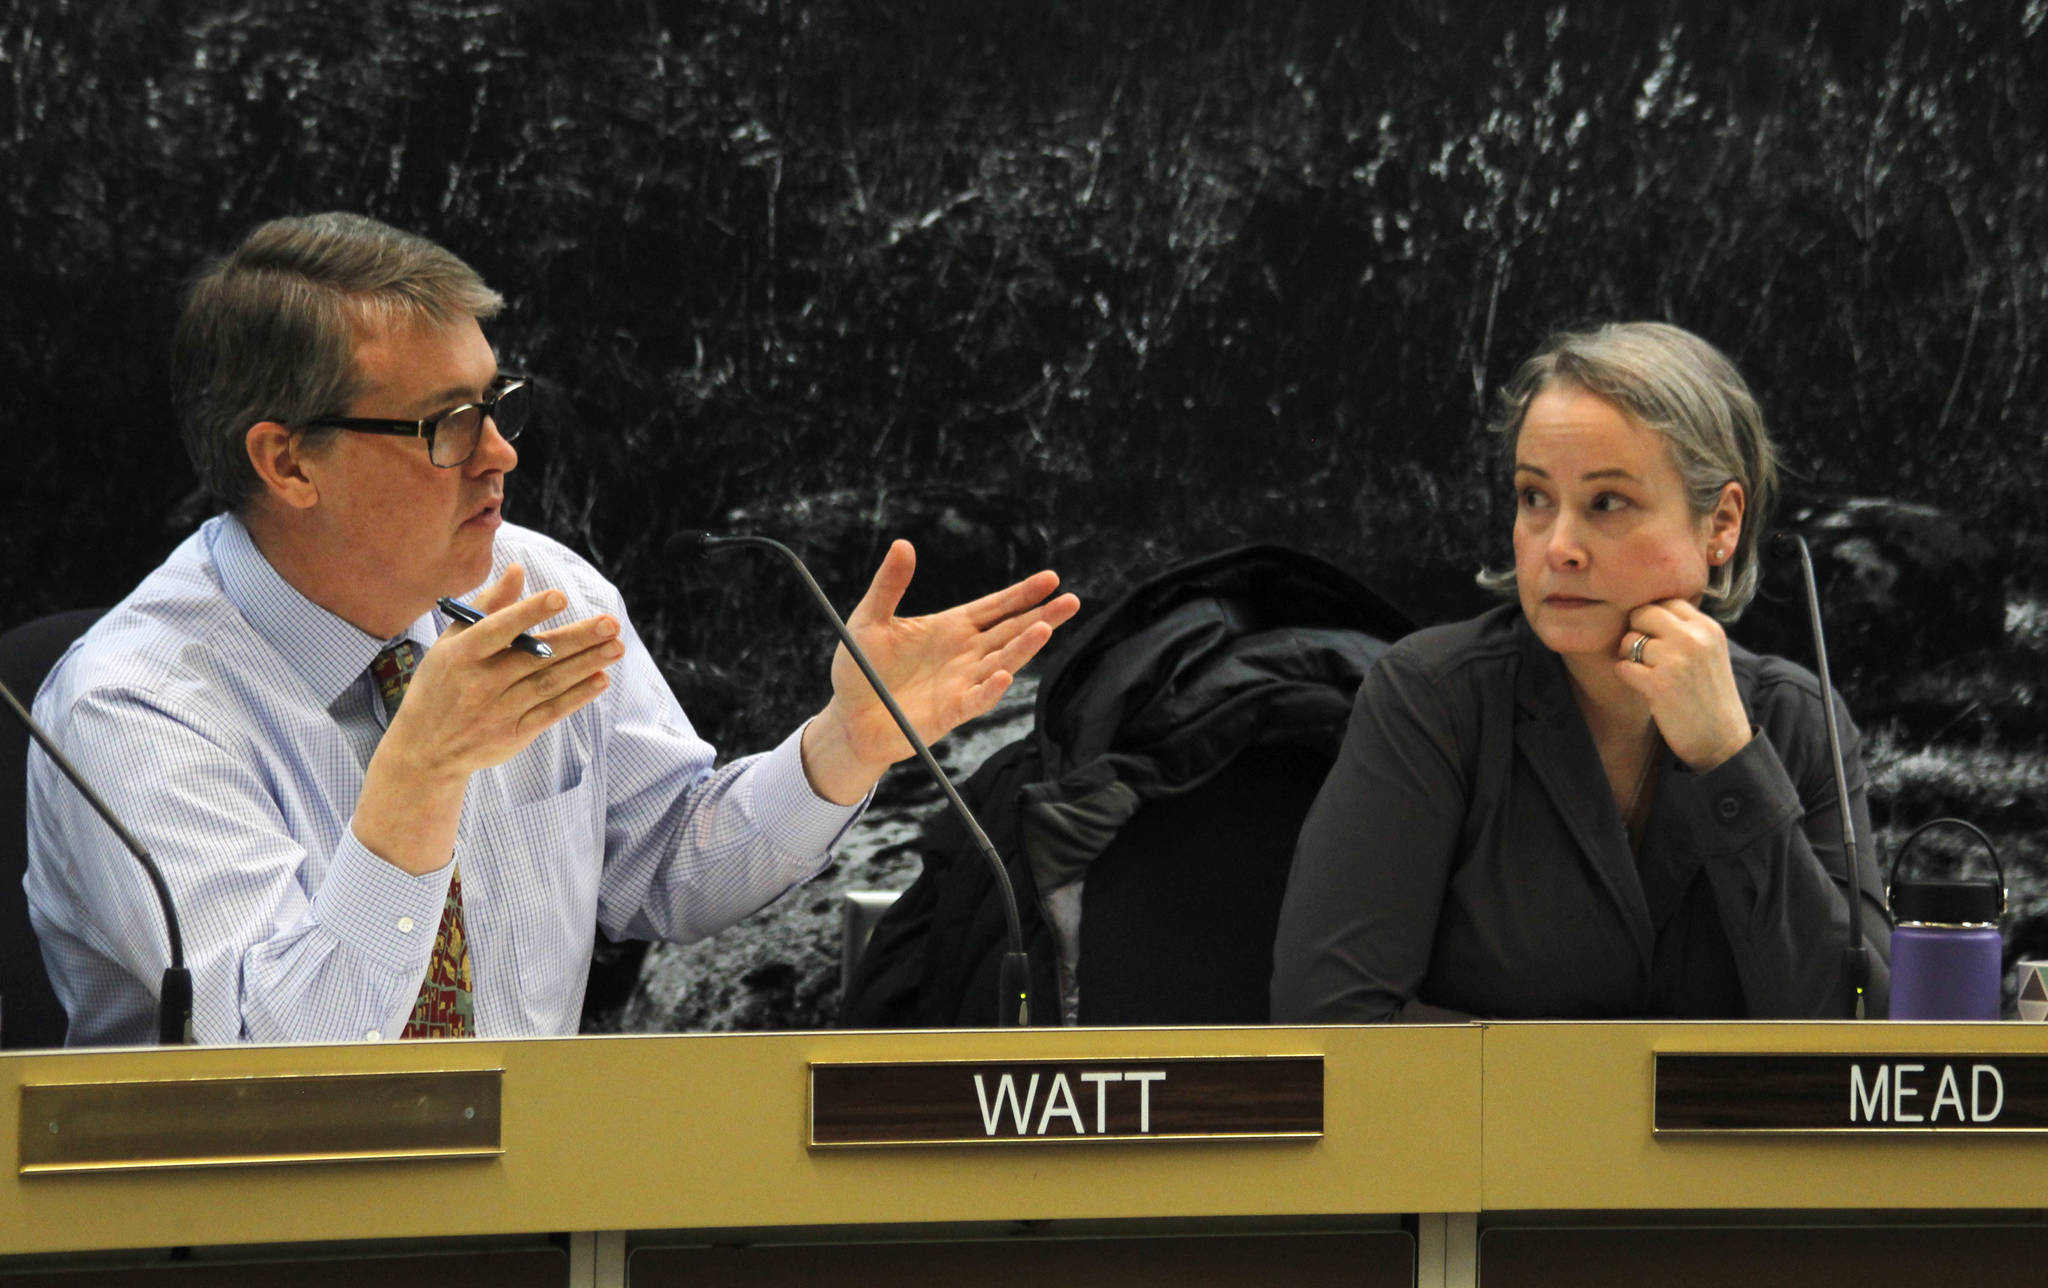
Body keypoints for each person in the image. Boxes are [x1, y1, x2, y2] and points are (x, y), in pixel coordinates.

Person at [25, 212, 1079, 1045]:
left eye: (500, 405)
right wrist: (419, 780)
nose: (500, 455)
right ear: (288, 461)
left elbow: (664, 866)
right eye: (445, 423)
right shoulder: (137, 707)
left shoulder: (540, 591)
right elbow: (284, 1067)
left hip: (543, 1206)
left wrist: (841, 749)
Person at [1270, 321, 1890, 1023]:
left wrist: (1730, 762)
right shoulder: (1434, 697)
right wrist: (1611, 1104)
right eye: (1535, 497)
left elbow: (1860, 1040)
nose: (1558, 546)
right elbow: (1333, 1016)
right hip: (1488, 1137)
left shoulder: (1795, 720)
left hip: (1722, 1142)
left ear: (1721, 522)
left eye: (1607, 503)